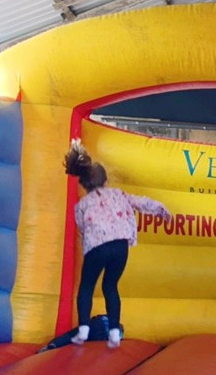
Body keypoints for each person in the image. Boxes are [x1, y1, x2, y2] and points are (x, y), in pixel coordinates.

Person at [64, 139, 171, 349]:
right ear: (106, 180)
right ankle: (114, 331)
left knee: (87, 286)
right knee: (110, 285)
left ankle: (84, 328)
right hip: (120, 246)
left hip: (98, 247)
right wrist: (161, 210)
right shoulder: (119, 194)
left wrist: (91, 242)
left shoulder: (82, 204)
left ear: (83, 184)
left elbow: (82, 227)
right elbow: (142, 202)